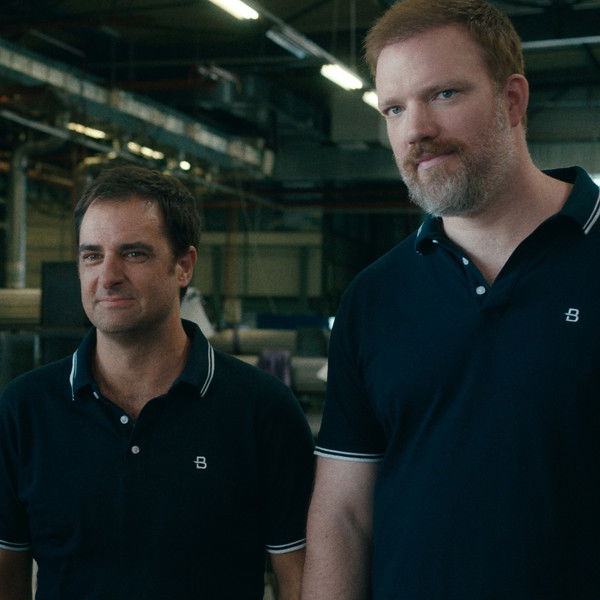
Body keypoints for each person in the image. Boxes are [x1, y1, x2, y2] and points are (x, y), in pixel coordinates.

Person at [302, 1, 600, 598]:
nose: (416, 130)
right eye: (393, 108)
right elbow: (344, 518)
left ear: (512, 100)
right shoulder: (374, 298)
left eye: (443, 94)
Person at [0, 165, 315, 600]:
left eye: (133, 254)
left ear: (184, 265)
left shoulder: (262, 409)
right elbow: (6, 575)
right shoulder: (25, 409)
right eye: (92, 256)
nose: (108, 276)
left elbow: (298, 579)